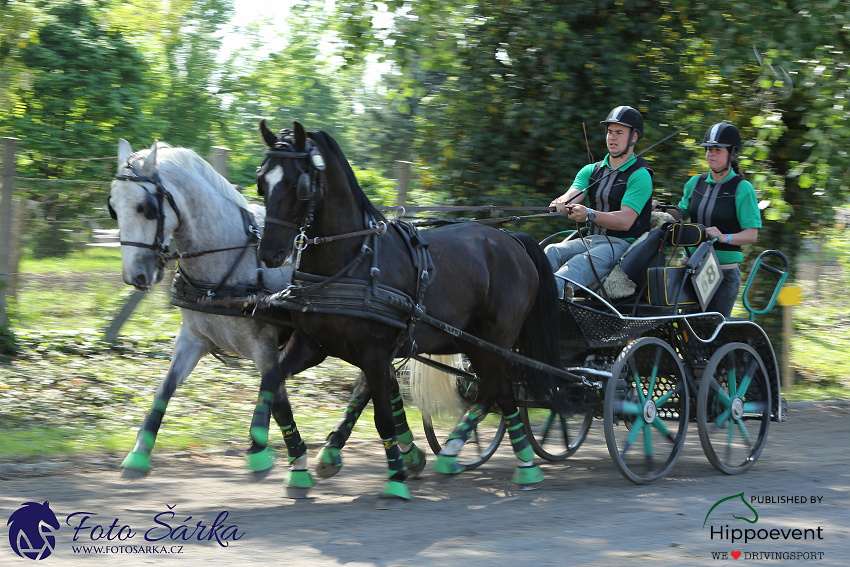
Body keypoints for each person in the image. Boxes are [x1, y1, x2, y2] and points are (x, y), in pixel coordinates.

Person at [546, 105, 653, 299]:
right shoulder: (590, 170)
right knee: (551, 251)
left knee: (577, 265)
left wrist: (589, 214)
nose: (612, 137)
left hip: (621, 245)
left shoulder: (640, 175)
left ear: (634, 137)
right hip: (592, 240)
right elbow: (573, 194)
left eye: (619, 132)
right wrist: (561, 202)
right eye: (610, 132)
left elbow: (625, 220)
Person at [677, 121, 761, 317]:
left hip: (722, 273)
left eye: (717, 150)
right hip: (689, 267)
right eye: (708, 149)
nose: (711, 154)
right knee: (683, 330)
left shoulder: (743, 189)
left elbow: (751, 234)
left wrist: (725, 238)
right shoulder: (694, 183)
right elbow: (681, 213)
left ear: (731, 154)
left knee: (709, 333)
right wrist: (658, 209)